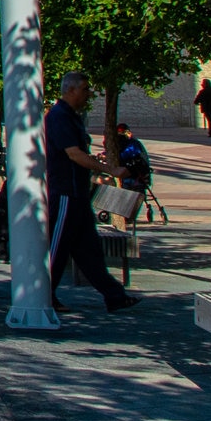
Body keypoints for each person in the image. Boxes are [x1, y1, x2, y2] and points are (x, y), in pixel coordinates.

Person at [44, 72, 139, 314]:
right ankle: (44, 294)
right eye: (85, 89)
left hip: (78, 193)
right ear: (71, 90)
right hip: (66, 192)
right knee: (59, 246)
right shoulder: (59, 117)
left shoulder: (72, 117)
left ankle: (114, 296)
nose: (89, 94)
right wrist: (111, 170)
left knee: (88, 249)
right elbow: (74, 154)